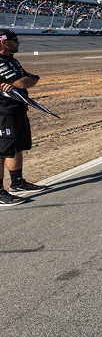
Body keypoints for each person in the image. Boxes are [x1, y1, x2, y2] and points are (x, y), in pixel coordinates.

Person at [0, 29, 46, 206]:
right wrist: (30, 78)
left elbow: (27, 79)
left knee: (17, 147)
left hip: (17, 109)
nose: (18, 43)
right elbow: (22, 82)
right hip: (3, 112)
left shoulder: (12, 60)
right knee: (2, 151)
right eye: (15, 40)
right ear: (4, 42)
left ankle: (17, 183)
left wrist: (31, 77)